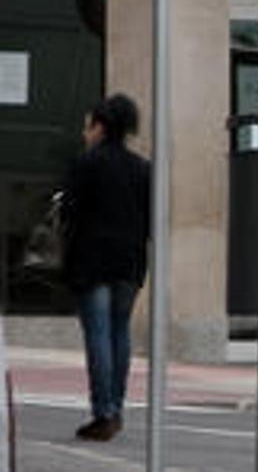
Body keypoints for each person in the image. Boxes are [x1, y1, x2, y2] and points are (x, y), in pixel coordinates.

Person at [62, 94, 151, 441]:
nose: (86, 131)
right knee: (119, 332)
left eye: (89, 124)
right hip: (129, 261)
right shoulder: (142, 168)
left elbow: (70, 210)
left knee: (98, 334)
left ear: (100, 125)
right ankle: (115, 406)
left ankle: (105, 412)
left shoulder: (86, 163)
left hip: (92, 260)